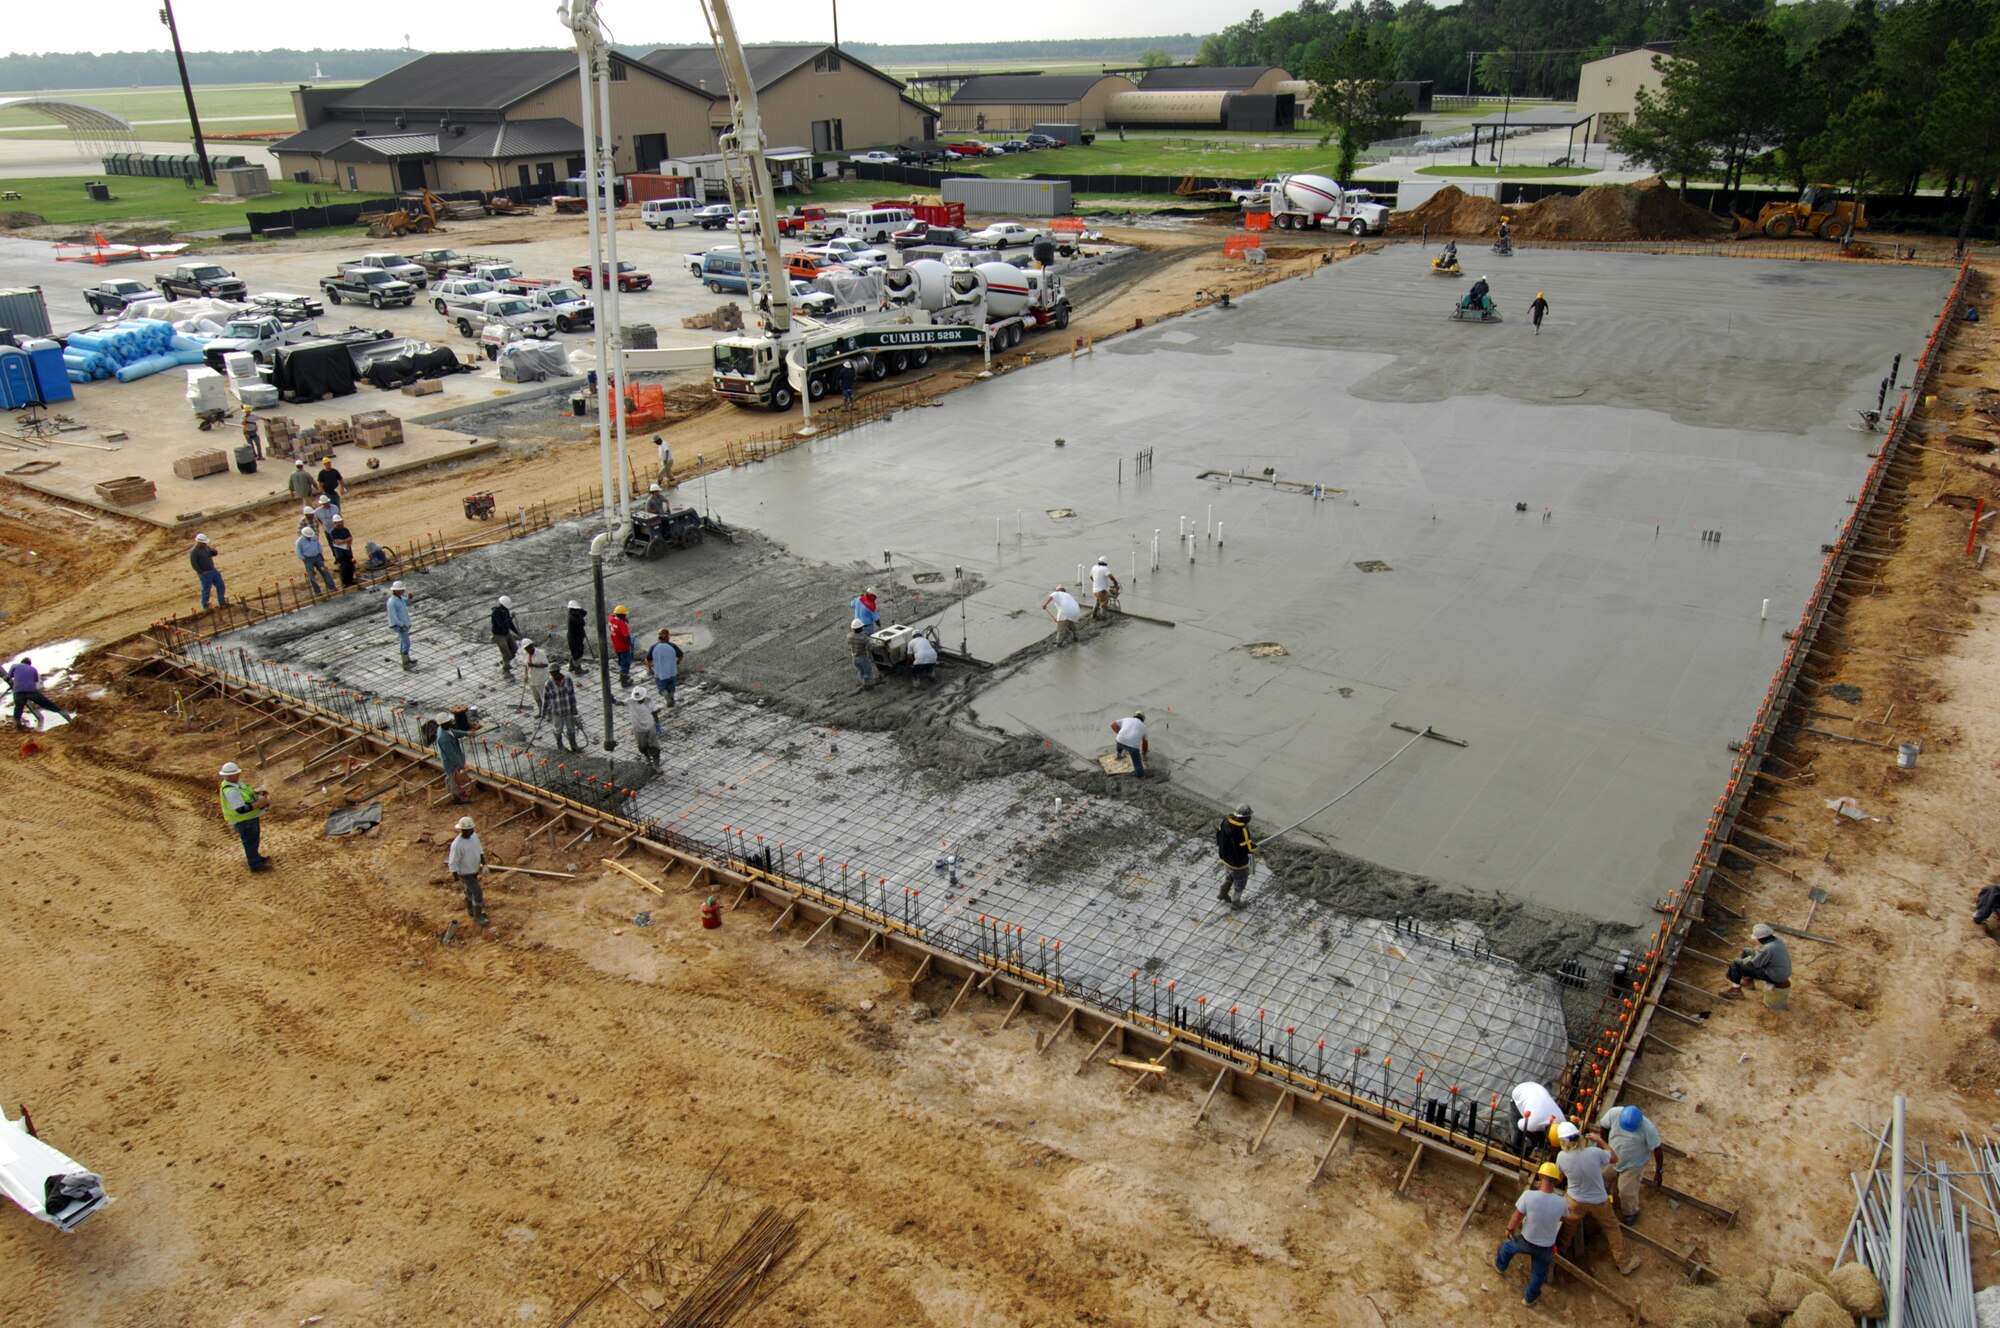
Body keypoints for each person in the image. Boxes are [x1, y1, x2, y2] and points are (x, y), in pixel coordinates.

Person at [1557, 1127, 1642, 1275]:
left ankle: (1559, 1256)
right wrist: (1600, 1140)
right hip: (1599, 1201)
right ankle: (1624, 1263)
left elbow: (1560, 1176)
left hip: (1575, 1200)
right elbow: (1614, 1159)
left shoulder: (1561, 1157)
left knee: (1568, 1228)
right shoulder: (1594, 1153)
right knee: (1612, 1228)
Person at [1496, 1163, 1568, 1307]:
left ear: (1540, 1177)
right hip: (1546, 1246)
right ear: (1556, 1181)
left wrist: (1509, 1230)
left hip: (1526, 1239)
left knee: (1507, 1246)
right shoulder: (1562, 1202)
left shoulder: (1529, 1195)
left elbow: (1517, 1217)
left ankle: (1500, 1266)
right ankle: (1529, 1299)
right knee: (1539, 1274)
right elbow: (1562, 1218)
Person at [1597, 1104, 1664, 1226]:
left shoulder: (1648, 1128)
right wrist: (1606, 1147)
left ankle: (1631, 1213)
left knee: (1626, 1193)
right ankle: (1606, 1195)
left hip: (1633, 1165)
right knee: (1602, 1178)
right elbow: (1604, 1127)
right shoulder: (1614, 1113)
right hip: (1613, 1156)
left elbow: (1657, 1149)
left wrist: (1658, 1172)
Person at [218, 760, 272, 872]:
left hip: (250, 819)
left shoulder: (236, 784)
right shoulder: (231, 791)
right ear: (231, 775)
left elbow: (246, 794)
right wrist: (259, 803)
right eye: (237, 773)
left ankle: (256, 857)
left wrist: (257, 793)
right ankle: (255, 865)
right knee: (249, 842)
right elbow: (240, 809)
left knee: (254, 840)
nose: (239, 774)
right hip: (244, 821)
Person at [1721, 922, 1793, 1006]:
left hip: (1774, 976)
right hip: (1781, 971)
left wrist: (1741, 964)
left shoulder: (1767, 948)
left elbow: (1754, 964)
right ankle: (1749, 980)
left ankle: (1736, 990)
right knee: (1746, 950)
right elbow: (1761, 955)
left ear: (1761, 938)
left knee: (1735, 963)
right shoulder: (1777, 939)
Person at [447, 815, 489, 928]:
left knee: (470, 892)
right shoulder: (457, 845)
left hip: (474, 870)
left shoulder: (474, 836)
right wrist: (456, 879)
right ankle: (478, 916)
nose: (470, 832)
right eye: (467, 830)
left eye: (471, 829)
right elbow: (453, 862)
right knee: (477, 893)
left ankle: (472, 911)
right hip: (466, 873)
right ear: (462, 830)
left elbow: (479, 850)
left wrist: (484, 863)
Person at [8, 656, 72, 730]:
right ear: (30, 664)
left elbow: (8, 677)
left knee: (18, 708)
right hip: (32, 691)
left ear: (21, 662)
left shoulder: (15, 666)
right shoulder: (33, 669)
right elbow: (35, 681)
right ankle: (68, 718)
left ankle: (18, 727)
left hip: (18, 692)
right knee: (49, 705)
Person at [1216, 803, 1256, 904]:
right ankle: (1236, 903)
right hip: (1238, 862)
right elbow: (1248, 848)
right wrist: (1254, 847)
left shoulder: (1225, 822)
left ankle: (1222, 893)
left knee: (1229, 876)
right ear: (1245, 818)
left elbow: (1219, 836)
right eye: (1249, 817)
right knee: (1240, 883)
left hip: (1225, 857)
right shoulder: (1242, 830)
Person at [1511, 1081, 1565, 1155]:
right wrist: (1536, 1140)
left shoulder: (1562, 1121)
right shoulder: (1532, 1123)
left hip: (1538, 1088)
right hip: (1520, 1091)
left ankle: (1540, 1141)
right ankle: (1516, 1152)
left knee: (1537, 1130)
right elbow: (1520, 1125)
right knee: (1516, 1136)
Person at [431, 710, 472, 802]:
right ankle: (457, 798)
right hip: (450, 763)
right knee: (453, 780)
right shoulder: (444, 738)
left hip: (454, 759)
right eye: (448, 721)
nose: (450, 722)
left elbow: (455, 733)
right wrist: (460, 766)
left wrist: (466, 733)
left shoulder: (446, 729)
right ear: (443, 723)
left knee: (452, 778)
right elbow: (451, 755)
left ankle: (452, 790)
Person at [544, 663, 583, 752]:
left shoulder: (567, 680)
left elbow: (572, 695)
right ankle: (560, 745)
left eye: (554, 672)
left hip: (568, 709)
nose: (553, 674)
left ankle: (573, 745)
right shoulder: (548, 683)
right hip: (557, 711)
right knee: (558, 729)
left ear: (558, 671)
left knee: (571, 728)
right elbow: (546, 699)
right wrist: (545, 712)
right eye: (551, 673)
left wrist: (574, 708)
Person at [189, 532, 227, 611]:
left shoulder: (206, 547)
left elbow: (212, 554)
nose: (205, 544)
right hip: (205, 573)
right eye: (203, 543)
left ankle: (222, 602)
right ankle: (205, 606)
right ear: (199, 542)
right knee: (206, 590)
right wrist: (201, 572)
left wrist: (214, 551)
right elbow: (194, 564)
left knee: (221, 585)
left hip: (212, 570)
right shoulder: (194, 551)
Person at [295, 523, 337, 595]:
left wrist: (320, 553)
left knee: (324, 571)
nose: (309, 537)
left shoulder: (314, 537)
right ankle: (317, 591)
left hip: (317, 557)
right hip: (308, 559)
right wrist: (304, 559)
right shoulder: (299, 542)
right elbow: (298, 552)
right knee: (311, 575)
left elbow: (319, 545)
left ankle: (332, 587)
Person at [628, 686, 662, 768]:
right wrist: (613, 700)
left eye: (641, 699)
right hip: (638, 728)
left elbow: (654, 712)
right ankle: (647, 757)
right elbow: (620, 703)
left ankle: (657, 765)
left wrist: (657, 723)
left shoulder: (649, 701)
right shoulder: (630, 702)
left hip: (650, 727)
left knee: (654, 746)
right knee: (642, 746)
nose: (639, 701)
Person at [649, 628, 684, 706]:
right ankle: (671, 698)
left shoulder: (653, 647)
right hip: (672, 672)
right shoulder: (672, 646)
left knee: (661, 687)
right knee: (671, 686)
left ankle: (666, 695)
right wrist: (677, 662)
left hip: (659, 673)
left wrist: (650, 669)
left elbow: (647, 659)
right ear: (667, 636)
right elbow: (681, 655)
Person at [386, 580, 415, 670]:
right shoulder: (392, 602)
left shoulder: (400, 598)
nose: (403, 592)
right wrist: (401, 625)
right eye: (401, 590)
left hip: (404, 625)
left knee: (403, 642)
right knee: (406, 643)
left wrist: (409, 598)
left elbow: (405, 602)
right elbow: (393, 616)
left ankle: (407, 660)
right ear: (397, 591)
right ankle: (405, 664)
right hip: (400, 626)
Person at [1110, 711, 1148, 779]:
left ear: (1134, 716)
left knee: (1120, 741)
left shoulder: (1126, 719)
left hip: (1119, 741)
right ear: (1143, 719)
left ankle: (1118, 754)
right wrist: (1144, 754)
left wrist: (1120, 734)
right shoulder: (1144, 727)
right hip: (1133, 746)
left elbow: (1113, 725)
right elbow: (1145, 743)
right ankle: (1141, 777)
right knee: (1138, 765)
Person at [491, 595, 522, 675]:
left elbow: (509, 624)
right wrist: (511, 617)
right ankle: (506, 668)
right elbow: (501, 624)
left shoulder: (506, 611)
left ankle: (505, 661)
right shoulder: (495, 613)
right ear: (502, 605)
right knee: (506, 653)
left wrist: (516, 632)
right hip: (499, 635)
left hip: (506, 633)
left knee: (514, 648)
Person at [519, 639, 550, 713]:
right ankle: (541, 710)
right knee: (536, 697)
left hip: (541, 679)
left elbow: (545, 664)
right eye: (526, 648)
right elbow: (526, 666)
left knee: (544, 697)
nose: (528, 650)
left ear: (532, 645)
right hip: (531, 679)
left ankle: (548, 712)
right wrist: (526, 675)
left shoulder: (540, 653)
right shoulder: (525, 654)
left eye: (529, 647)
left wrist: (534, 665)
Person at [608, 605, 634, 686]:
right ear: (621, 615)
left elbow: (612, 615)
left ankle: (622, 675)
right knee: (625, 663)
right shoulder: (622, 624)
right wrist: (630, 645)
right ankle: (624, 681)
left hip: (616, 645)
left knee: (620, 661)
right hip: (624, 646)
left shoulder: (611, 619)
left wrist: (623, 619)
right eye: (624, 614)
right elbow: (626, 636)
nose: (626, 615)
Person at [327, 518, 356, 587]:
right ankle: (345, 582)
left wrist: (342, 541)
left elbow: (350, 539)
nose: (339, 523)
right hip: (340, 553)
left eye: (340, 522)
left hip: (348, 551)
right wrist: (346, 540)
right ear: (335, 523)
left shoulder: (346, 530)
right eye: (337, 522)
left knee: (351, 566)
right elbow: (337, 542)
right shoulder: (333, 532)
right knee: (344, 567)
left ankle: (350, 579)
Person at [849, 618, 876, 687]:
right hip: (863, 657)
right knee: (867, 671)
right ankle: (866, 685)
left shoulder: (849, 636)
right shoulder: (863, 638)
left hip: (854, 658)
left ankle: (862, 681)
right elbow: (871, 647)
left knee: (861, 671)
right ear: (861, 628)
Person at [566, 600, 589, 670]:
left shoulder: (575, 614)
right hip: (575, 638)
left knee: (575, 652)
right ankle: (577, 669)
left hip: (576, 637)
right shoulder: (573, 618)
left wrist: (579, 611)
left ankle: (572, 666)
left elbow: (584, 612)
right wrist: (580, 615)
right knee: (578, 653)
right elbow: (582, 623)